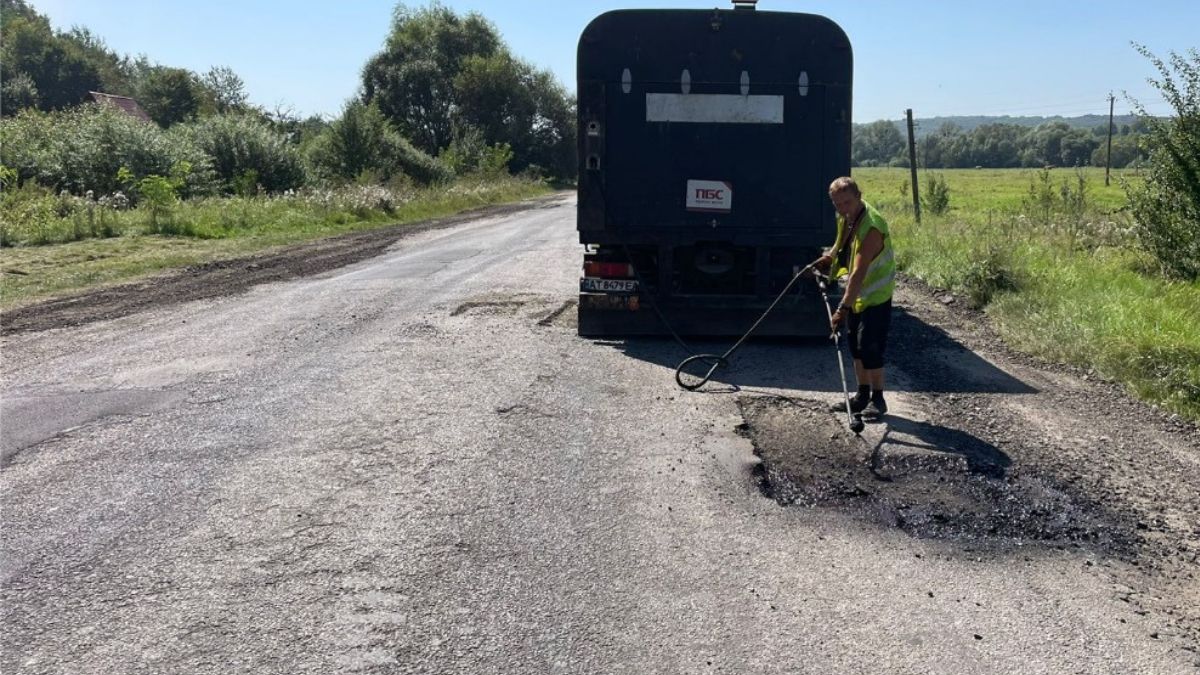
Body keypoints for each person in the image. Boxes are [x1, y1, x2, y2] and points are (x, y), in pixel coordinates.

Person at [816, 176, 896, 418]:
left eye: (847, 203)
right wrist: (827, 258)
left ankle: (878, 399)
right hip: (859, 296)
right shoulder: (848, 218)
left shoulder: (871, 226)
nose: (842, 209)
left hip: (876, 296)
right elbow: (840, 245)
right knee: (855, 347)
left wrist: (842, 308)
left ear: (859, 196)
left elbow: (859, 272)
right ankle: (862, 395)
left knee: (870, 347)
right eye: (837, 204)